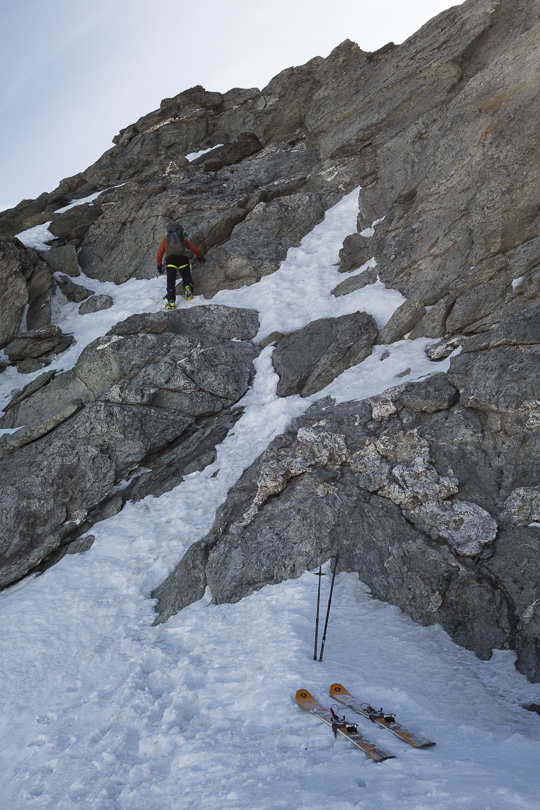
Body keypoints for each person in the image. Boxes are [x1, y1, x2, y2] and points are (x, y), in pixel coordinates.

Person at [156, 217, 206, 309]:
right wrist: (200, 258)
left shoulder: (166, 241)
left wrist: (159, 266)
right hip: (182, 259)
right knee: (186, 278)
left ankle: (171, 303)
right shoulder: (182, 240)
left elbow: (159, 255)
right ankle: (188, 291)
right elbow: (196, 249)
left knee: (171, 282)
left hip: (170, 261)